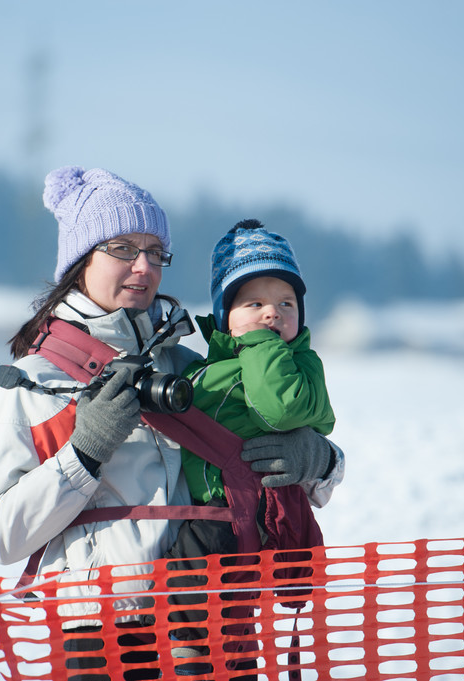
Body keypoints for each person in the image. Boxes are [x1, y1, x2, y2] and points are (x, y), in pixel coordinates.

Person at [0, 167, 344, 681]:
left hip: (214, 622)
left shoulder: (190, 368)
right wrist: (84, 453)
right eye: (123, 249)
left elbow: (268, 474)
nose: (144, 267)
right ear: (81, 260)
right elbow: (0, 537)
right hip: (100, 633)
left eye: (156, 252)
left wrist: (320, 460)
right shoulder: (33, 383)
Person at [164, 218, 342, 676]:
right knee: (218, 599)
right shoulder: (211, 367)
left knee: (198, 558)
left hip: (247, 514)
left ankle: (191, 653)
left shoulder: (294, 362)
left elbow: (282, 411)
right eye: (255, 303)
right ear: (225, 314)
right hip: (218, 511)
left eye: (286, 303)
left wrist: (261, 344)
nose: (272, 314)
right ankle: (198, 650)